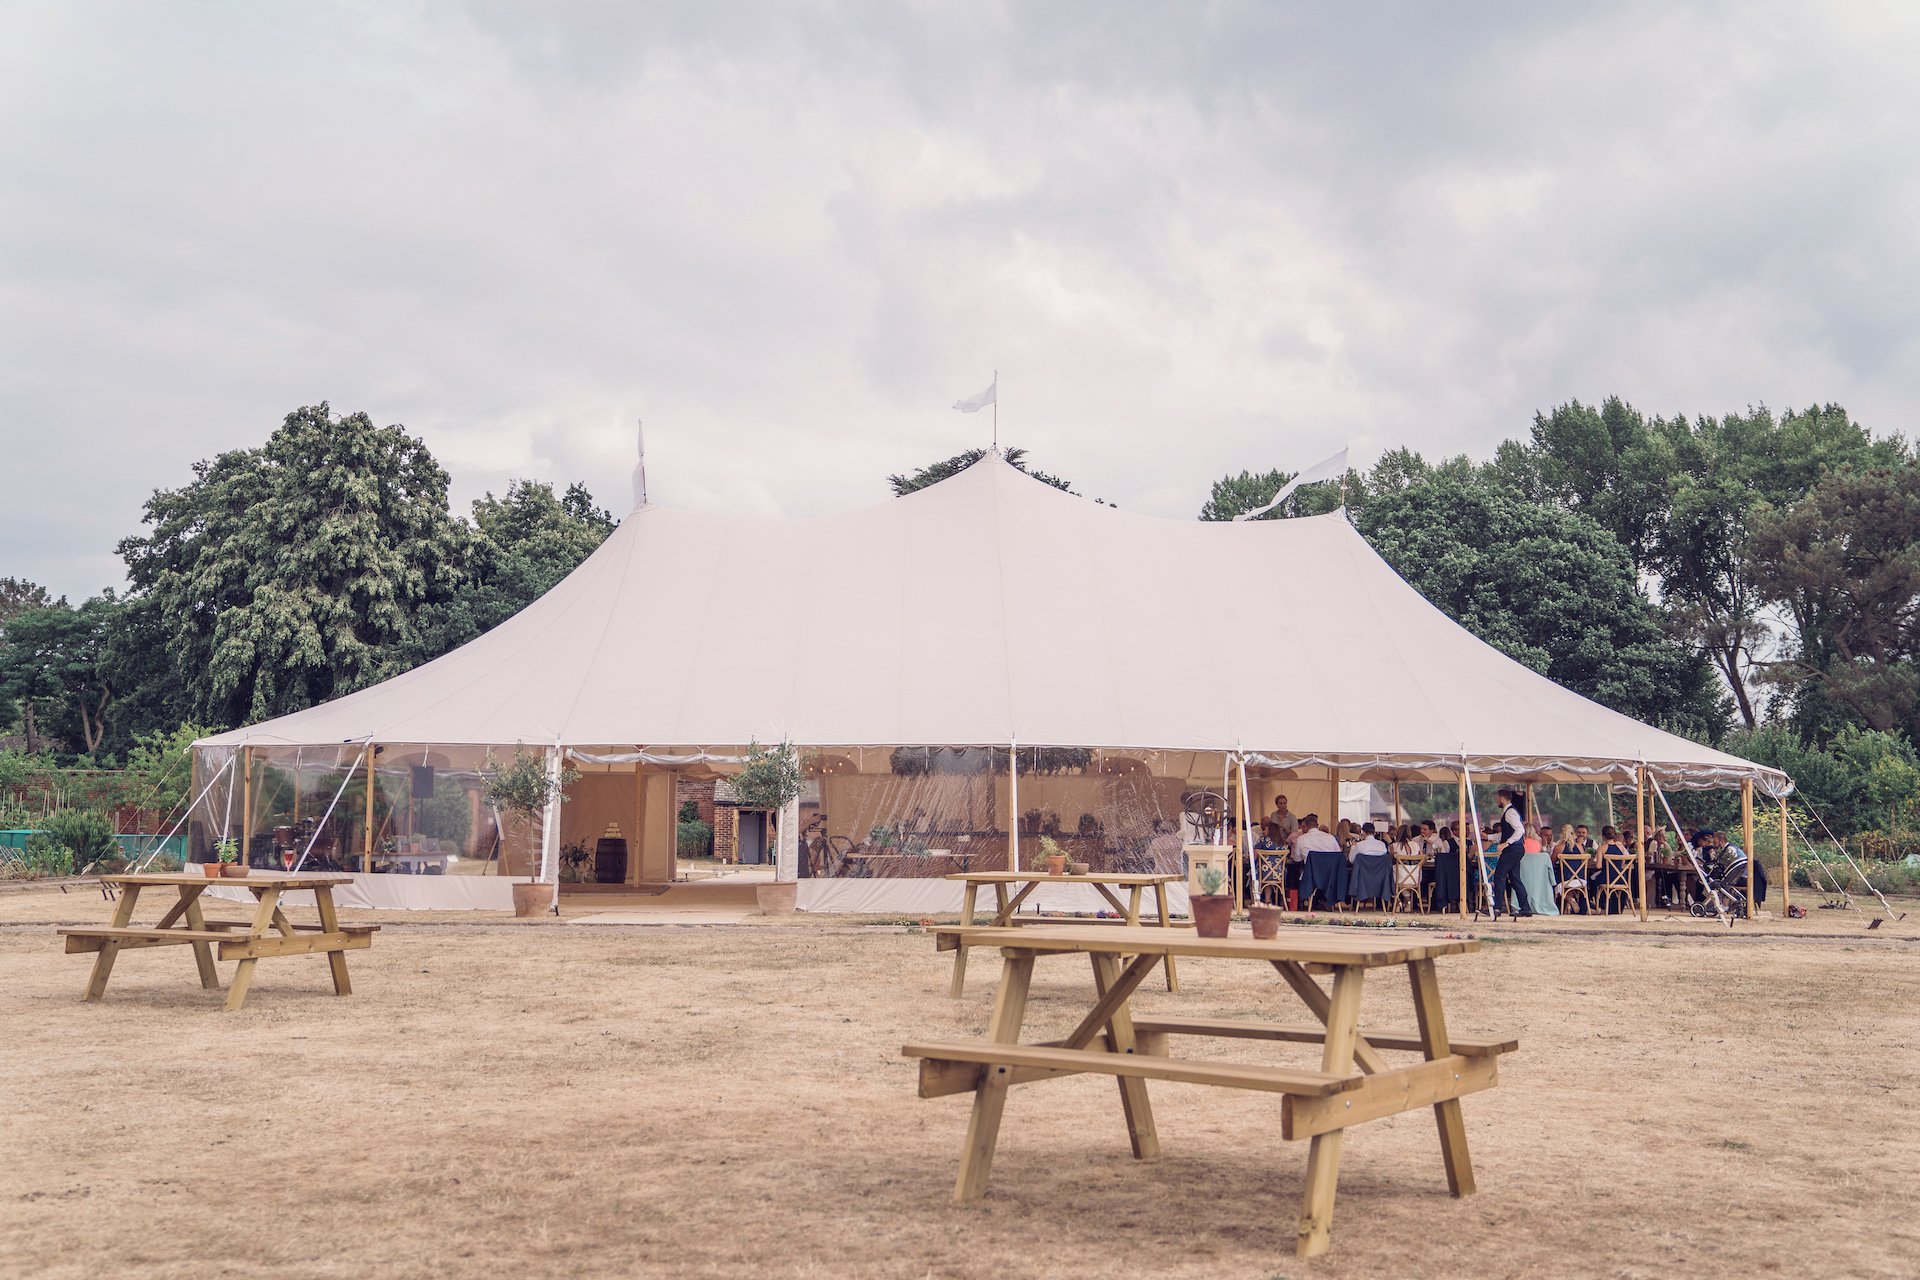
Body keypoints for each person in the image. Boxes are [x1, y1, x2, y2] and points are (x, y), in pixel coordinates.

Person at [1488, 787, 1533, 919]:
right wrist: (1489, 837)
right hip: (1516, 849)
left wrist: (1506, 843)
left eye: (1497, 798)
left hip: (1512, 849)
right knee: (1514, 879)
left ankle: (1497, 908)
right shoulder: (1509, 812)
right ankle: (1525, 908)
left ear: (1502, 798)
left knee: (1499, 876)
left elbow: (1520, 830)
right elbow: (1506, 833)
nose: (1497, 800)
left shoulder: (1510, 812)